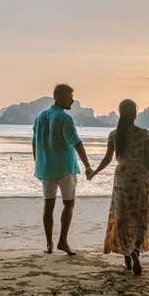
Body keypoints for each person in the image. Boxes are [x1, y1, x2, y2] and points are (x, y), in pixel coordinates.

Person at [88, 99, 149, 275]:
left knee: (122, 218)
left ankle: (127, 255)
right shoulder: (144, 134)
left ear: (120, 114)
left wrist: (94, 172)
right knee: (141, 217)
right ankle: (135, 251)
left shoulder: (114, 135)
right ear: (135, 114)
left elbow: (107, 159)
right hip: (141, 178)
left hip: (123, 178)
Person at [32, 84, 93, 255]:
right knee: (69, 204)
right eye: (70, 97)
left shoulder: (40, 117)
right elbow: (77, 143)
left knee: (48, 206)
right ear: (59, 97)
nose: (73, 100)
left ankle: (49, 244)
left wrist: (39, 164)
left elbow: (34, 143)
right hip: (65, 168)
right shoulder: (65, 119)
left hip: (46, 170)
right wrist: (88, 166)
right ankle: (62, 242)